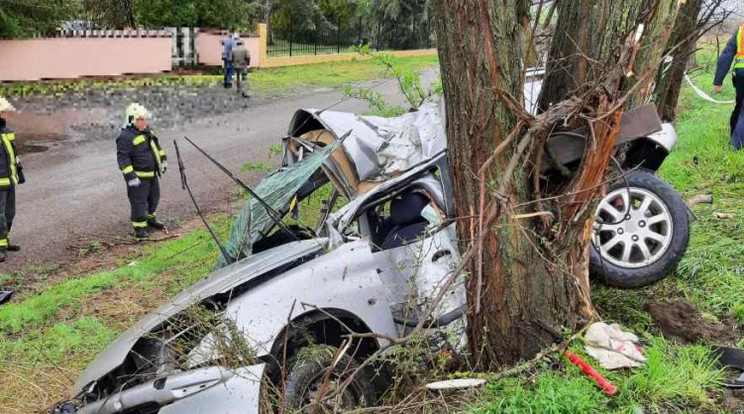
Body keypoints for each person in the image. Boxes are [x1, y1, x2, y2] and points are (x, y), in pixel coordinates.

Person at [116, 103, 167, 240]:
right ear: (132, 120)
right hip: (138, 179)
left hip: (152, 176)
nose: (144, 122)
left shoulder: (148, 132)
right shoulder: (125, 137)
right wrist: (131, 176)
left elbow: (157, 147)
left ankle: (150, 219)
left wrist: (163, 160)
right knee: (139, 203)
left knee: (153, 198)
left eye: (145, 119)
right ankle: (140, 229)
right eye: (141, 119)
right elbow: (123, 159)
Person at [0, 97, 25, 263]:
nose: (5, 115)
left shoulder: (7, 131)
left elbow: (13, 155)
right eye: (2, 112)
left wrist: (19, 172)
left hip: (10, 181)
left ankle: (5, 241)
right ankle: (0, 247)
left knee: (10, 214)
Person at [713, 24, 744, 150]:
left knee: (740, 105)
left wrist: (718, 81)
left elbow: (727, 53)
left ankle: (733, 136)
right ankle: (736, 145)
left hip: (741, 73)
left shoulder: (741, 29)